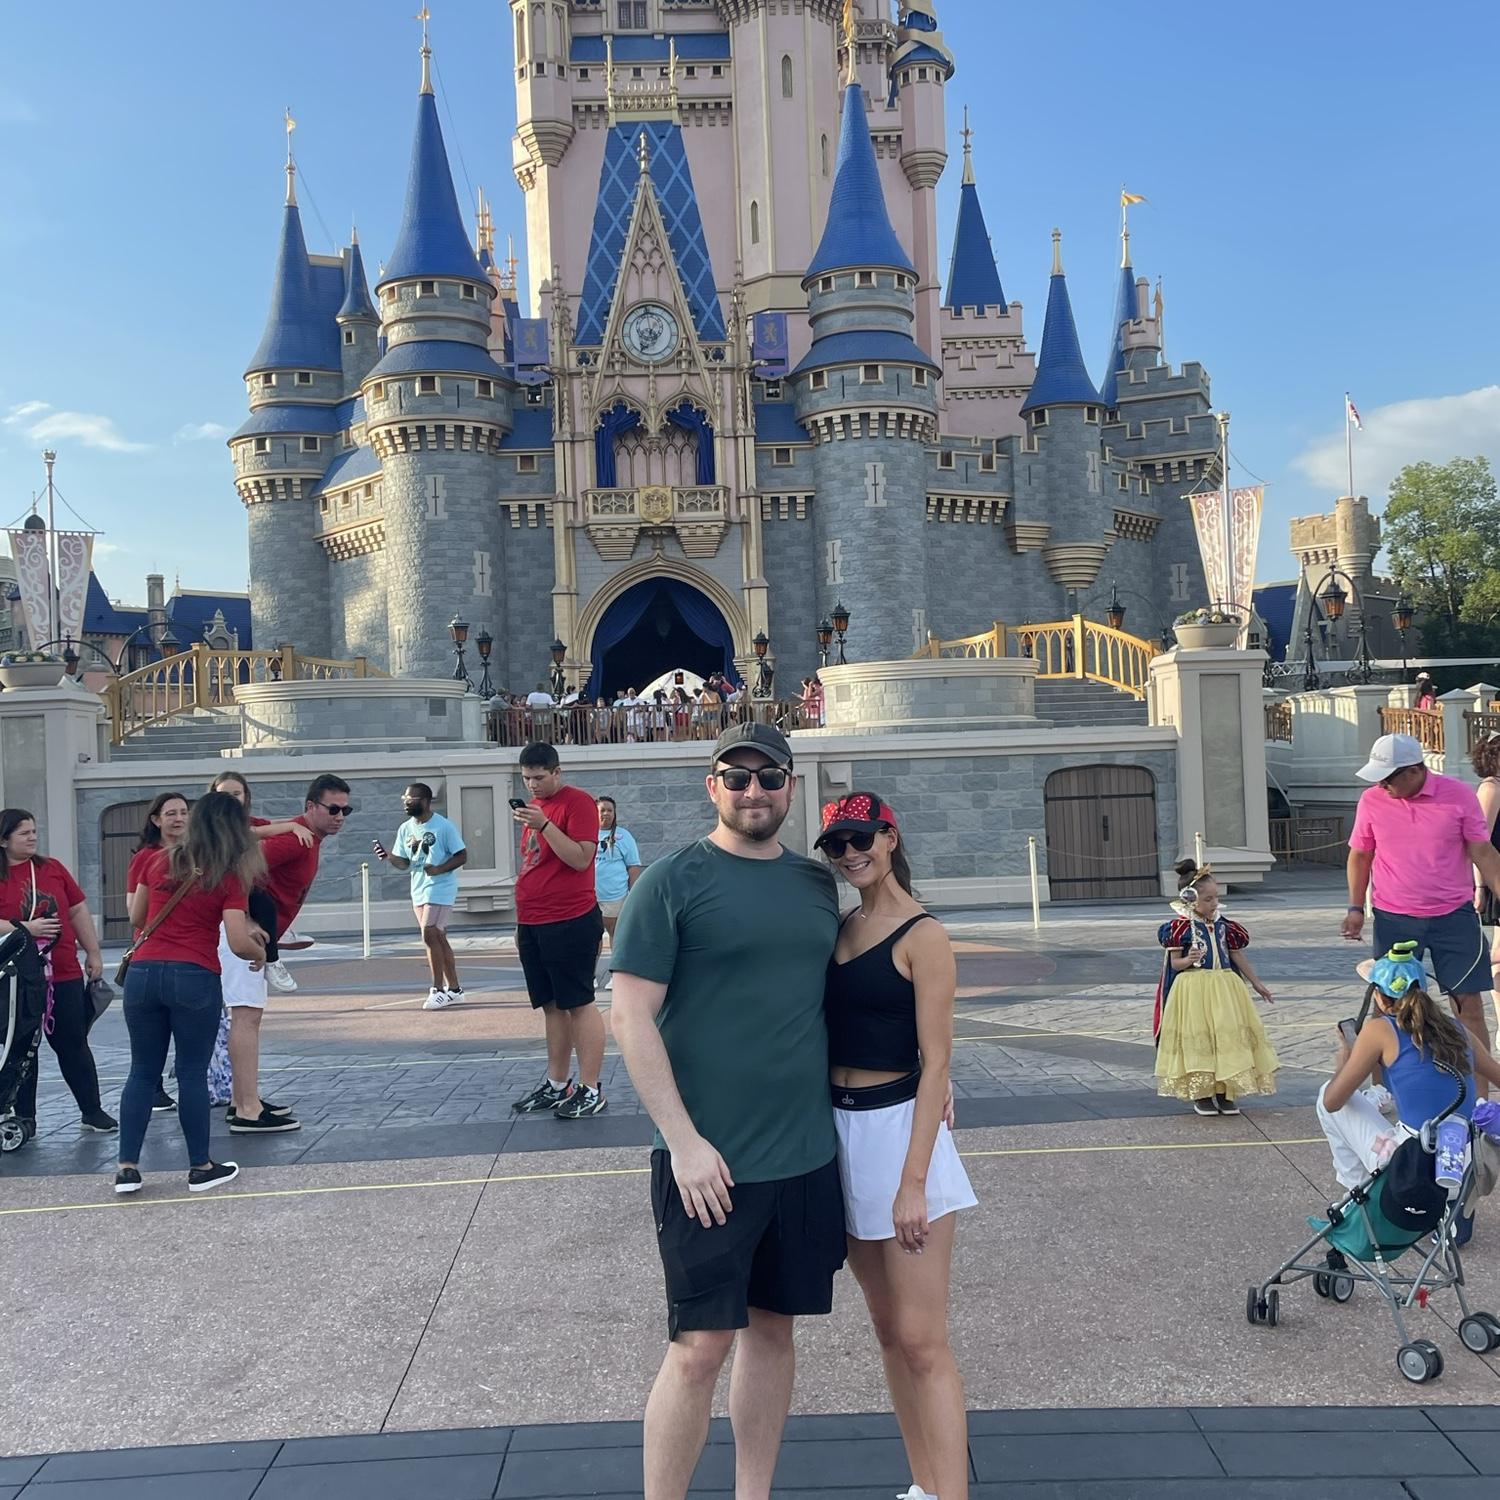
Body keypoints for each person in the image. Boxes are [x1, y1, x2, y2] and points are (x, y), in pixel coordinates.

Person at [611, 722, 846, 1500]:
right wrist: (682, 1142)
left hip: (804, 1156)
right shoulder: (671, 882)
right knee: (699, 1348)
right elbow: (630, 1016)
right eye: (736, 777)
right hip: (707, 1164)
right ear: (711, 785)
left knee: (773, 1331)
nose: (754, 791)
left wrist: (927, 1069)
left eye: (769, 777)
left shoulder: (815, 884)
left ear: (791, 786)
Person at [817, 792, 975, 1500]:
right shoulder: (841, 926)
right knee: (887, 1331)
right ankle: (923, 1486)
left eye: (861, 838)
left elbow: (937, 1062)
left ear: (889, 837)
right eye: (836, 844)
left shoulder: (924, 935)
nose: (850, 853)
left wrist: (913, 1182)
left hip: (900, 1131)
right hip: (842, 1129)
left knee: (922, 1340)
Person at [115, 791, 268, 1196]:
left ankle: (127, 1168)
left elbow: (136, 917)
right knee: (191, 1072)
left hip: (143, 974)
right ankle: (200, 1166)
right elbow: (238, 940)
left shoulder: (155, 860)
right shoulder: (229, 874)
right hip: (194, 975)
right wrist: (260, 954)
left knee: (141, 1071)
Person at [1345, 732, 1500, 1099]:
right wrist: (1355, 907)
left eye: (1388, 777)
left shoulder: (1458, 795)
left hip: (1454, 917)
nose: (1382, 785)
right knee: (1389, 1007)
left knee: (1469, 1007)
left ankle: (1480, 1098)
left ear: (1415, 770)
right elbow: (1360, 855)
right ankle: (1382, 1092)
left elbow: (1483, 852)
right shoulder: (1371, 800)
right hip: (1394, 918)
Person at [1318, 943, 1500, 1244]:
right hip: (1462, 1158)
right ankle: (1453, 1202)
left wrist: (1345, 1057)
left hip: (1411, 1164)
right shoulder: (1456, 1029)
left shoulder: (1379, 1030)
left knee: (1326, 1094)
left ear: (1379, 996)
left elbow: (1333, 1102)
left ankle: (1360, 1200)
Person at [0, 808, 114, 1134]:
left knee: (73, 1042)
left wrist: (93, 952)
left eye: (34, 831)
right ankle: (24, 1117)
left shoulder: (52, 869)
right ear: (4, 840)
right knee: (21, 1047)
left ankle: (92, 1110)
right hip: (16, 978)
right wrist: (26, 928)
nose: (32, 837)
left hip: (62, 972)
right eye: (24, 833)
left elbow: (77, 910)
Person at [510, 742, 607, 1119]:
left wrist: (546, 826)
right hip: (533, 919)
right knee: (551, 1005)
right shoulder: (536, 808)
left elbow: (581, 859)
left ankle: (591, 1088)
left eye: (539, 777)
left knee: (578, 1002)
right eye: (526, 778)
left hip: (570, 918)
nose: (532, 785)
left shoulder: (576, 803)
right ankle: (557, 1083)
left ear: (556, 772)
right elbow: (534, 862)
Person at [205, 773, 302, 1132]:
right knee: (246, 1015)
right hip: (230, 934)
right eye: (226, 796)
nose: (234, 801)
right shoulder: (225, 844)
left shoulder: (214, 843)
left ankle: (243, 1099)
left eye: (238, 794)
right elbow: (229, 891)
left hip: (223, 932)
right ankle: (247, 1107)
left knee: (246, 1016)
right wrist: (244, 923)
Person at [1154, 860, 1278, 1114]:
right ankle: (1202, 1093)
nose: (1214, 903)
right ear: (1190, 900)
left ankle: (1224, 1091)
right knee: (1201, 1037)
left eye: (1216, 897)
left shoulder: (1224, 925)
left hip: (1224, 986)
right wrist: (1188, 959)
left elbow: (1236, 955)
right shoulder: (1179, 928)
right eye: (1208, 899)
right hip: (1193, 989)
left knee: (1226, 1036)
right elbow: (1175, 964)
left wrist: (1257, 983)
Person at [375, 782, 468, 1010]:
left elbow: (462, 855)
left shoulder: (443, 826)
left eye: (411, 800)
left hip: (440, 887)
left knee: (429, 933)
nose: (406, 803)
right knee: (437, 937)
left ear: (426, 801)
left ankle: (437, 990)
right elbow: (404, 863)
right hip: (418, 888)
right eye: (404, 799)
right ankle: (455, 990)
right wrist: (388, 857)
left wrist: (439, 869)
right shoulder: (405, 828)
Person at [127, 792, 192, 1115]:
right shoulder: (145, 858)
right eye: (171, 813)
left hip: (191, 953)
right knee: (153, 1037)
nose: (178, 818)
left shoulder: (198, 854)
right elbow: (133, 911)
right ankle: (154, 1087)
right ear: (156, 820)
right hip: (155, 951)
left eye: (183, 812)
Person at [1472, 733, 1500, 1014]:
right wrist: (1480, 887)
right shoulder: (1491, 788)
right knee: (1499, 955)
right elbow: (1479, 841)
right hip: (1496, 876)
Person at [594, 796, 643, 939]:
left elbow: (633, 867)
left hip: (615, 897)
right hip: (590, 897)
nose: (606, 813)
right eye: (602, 810)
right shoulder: (586, 833)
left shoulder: (624, 836)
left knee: (616, 935)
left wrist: (633, 894)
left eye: (610, 810)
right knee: (593, 937)